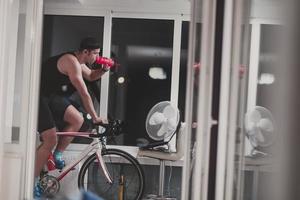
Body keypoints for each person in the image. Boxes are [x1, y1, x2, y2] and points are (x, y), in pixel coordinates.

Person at [34, 37, 112, 198]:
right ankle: (32, 181)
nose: (97, 58)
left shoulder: (79, 62)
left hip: (50, 96)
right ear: (85, 52)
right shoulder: (71, 62)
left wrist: (103, 70)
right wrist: (96, 117)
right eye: (95, 54)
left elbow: (90, 76)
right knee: (50, 139)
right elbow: (84, 92)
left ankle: (57, 154)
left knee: (77, 119)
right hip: (37, 95)